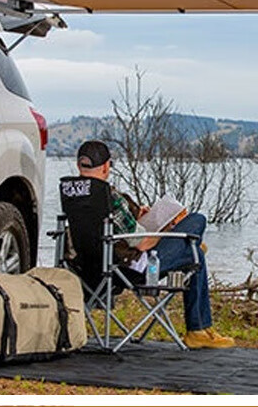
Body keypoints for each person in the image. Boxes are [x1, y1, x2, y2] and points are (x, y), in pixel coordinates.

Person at [75, 140, 234, 350]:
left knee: (194, 253)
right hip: (136, 268)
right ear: (106, 166)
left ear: (79, 166)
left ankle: (199, 328)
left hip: (93, 268)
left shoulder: (73, 194)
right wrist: (166, 230)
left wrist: (139, 220)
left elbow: (114, 232)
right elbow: (143, 244)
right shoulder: (108, 197)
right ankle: (198, 329)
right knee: (197, 221)